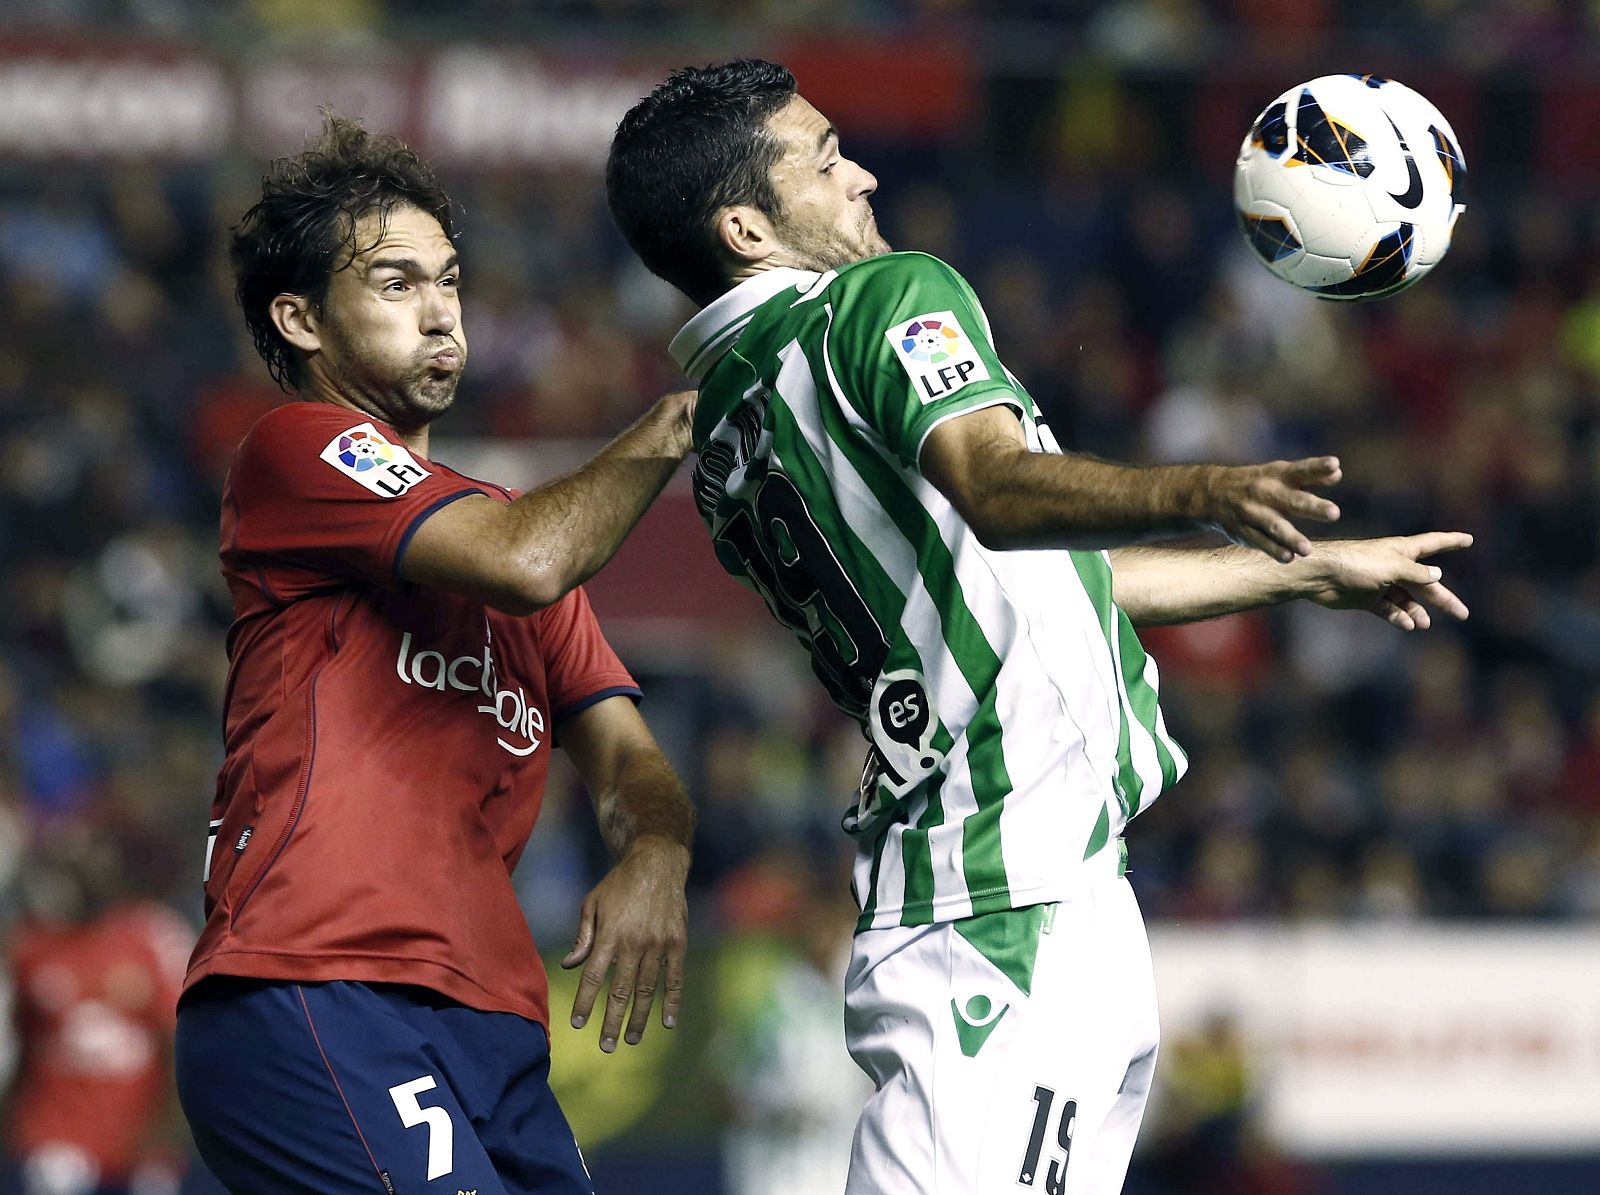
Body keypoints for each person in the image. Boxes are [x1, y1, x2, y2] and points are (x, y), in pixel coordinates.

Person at [606, 60, 1472, 1195]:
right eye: (823, 161)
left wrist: (1297, 576)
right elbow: (996, 488)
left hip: (1052, 894)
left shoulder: (731, 418)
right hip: (995, 906)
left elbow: (1036, 581)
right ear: (746, 227)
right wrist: (1198, 484)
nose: (862, 175)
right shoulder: (878, 298)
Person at [174, 115, 696, 1195]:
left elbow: (629, 759)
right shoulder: (297, 449)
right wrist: (678, 421)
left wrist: (657, 853)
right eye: (398, 283)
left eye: (450, 280)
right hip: (315, 981)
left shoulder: (511, 526)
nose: (443, 310)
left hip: (490, 1022)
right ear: (301, 319)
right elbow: (527, 560)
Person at [5, 823, 192, 1195]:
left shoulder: (152, 937)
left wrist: (168, 1125)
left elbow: (179, 1041)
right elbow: (22, 1044)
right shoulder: (32, 948)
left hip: (139, 1127)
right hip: (57, 1128)